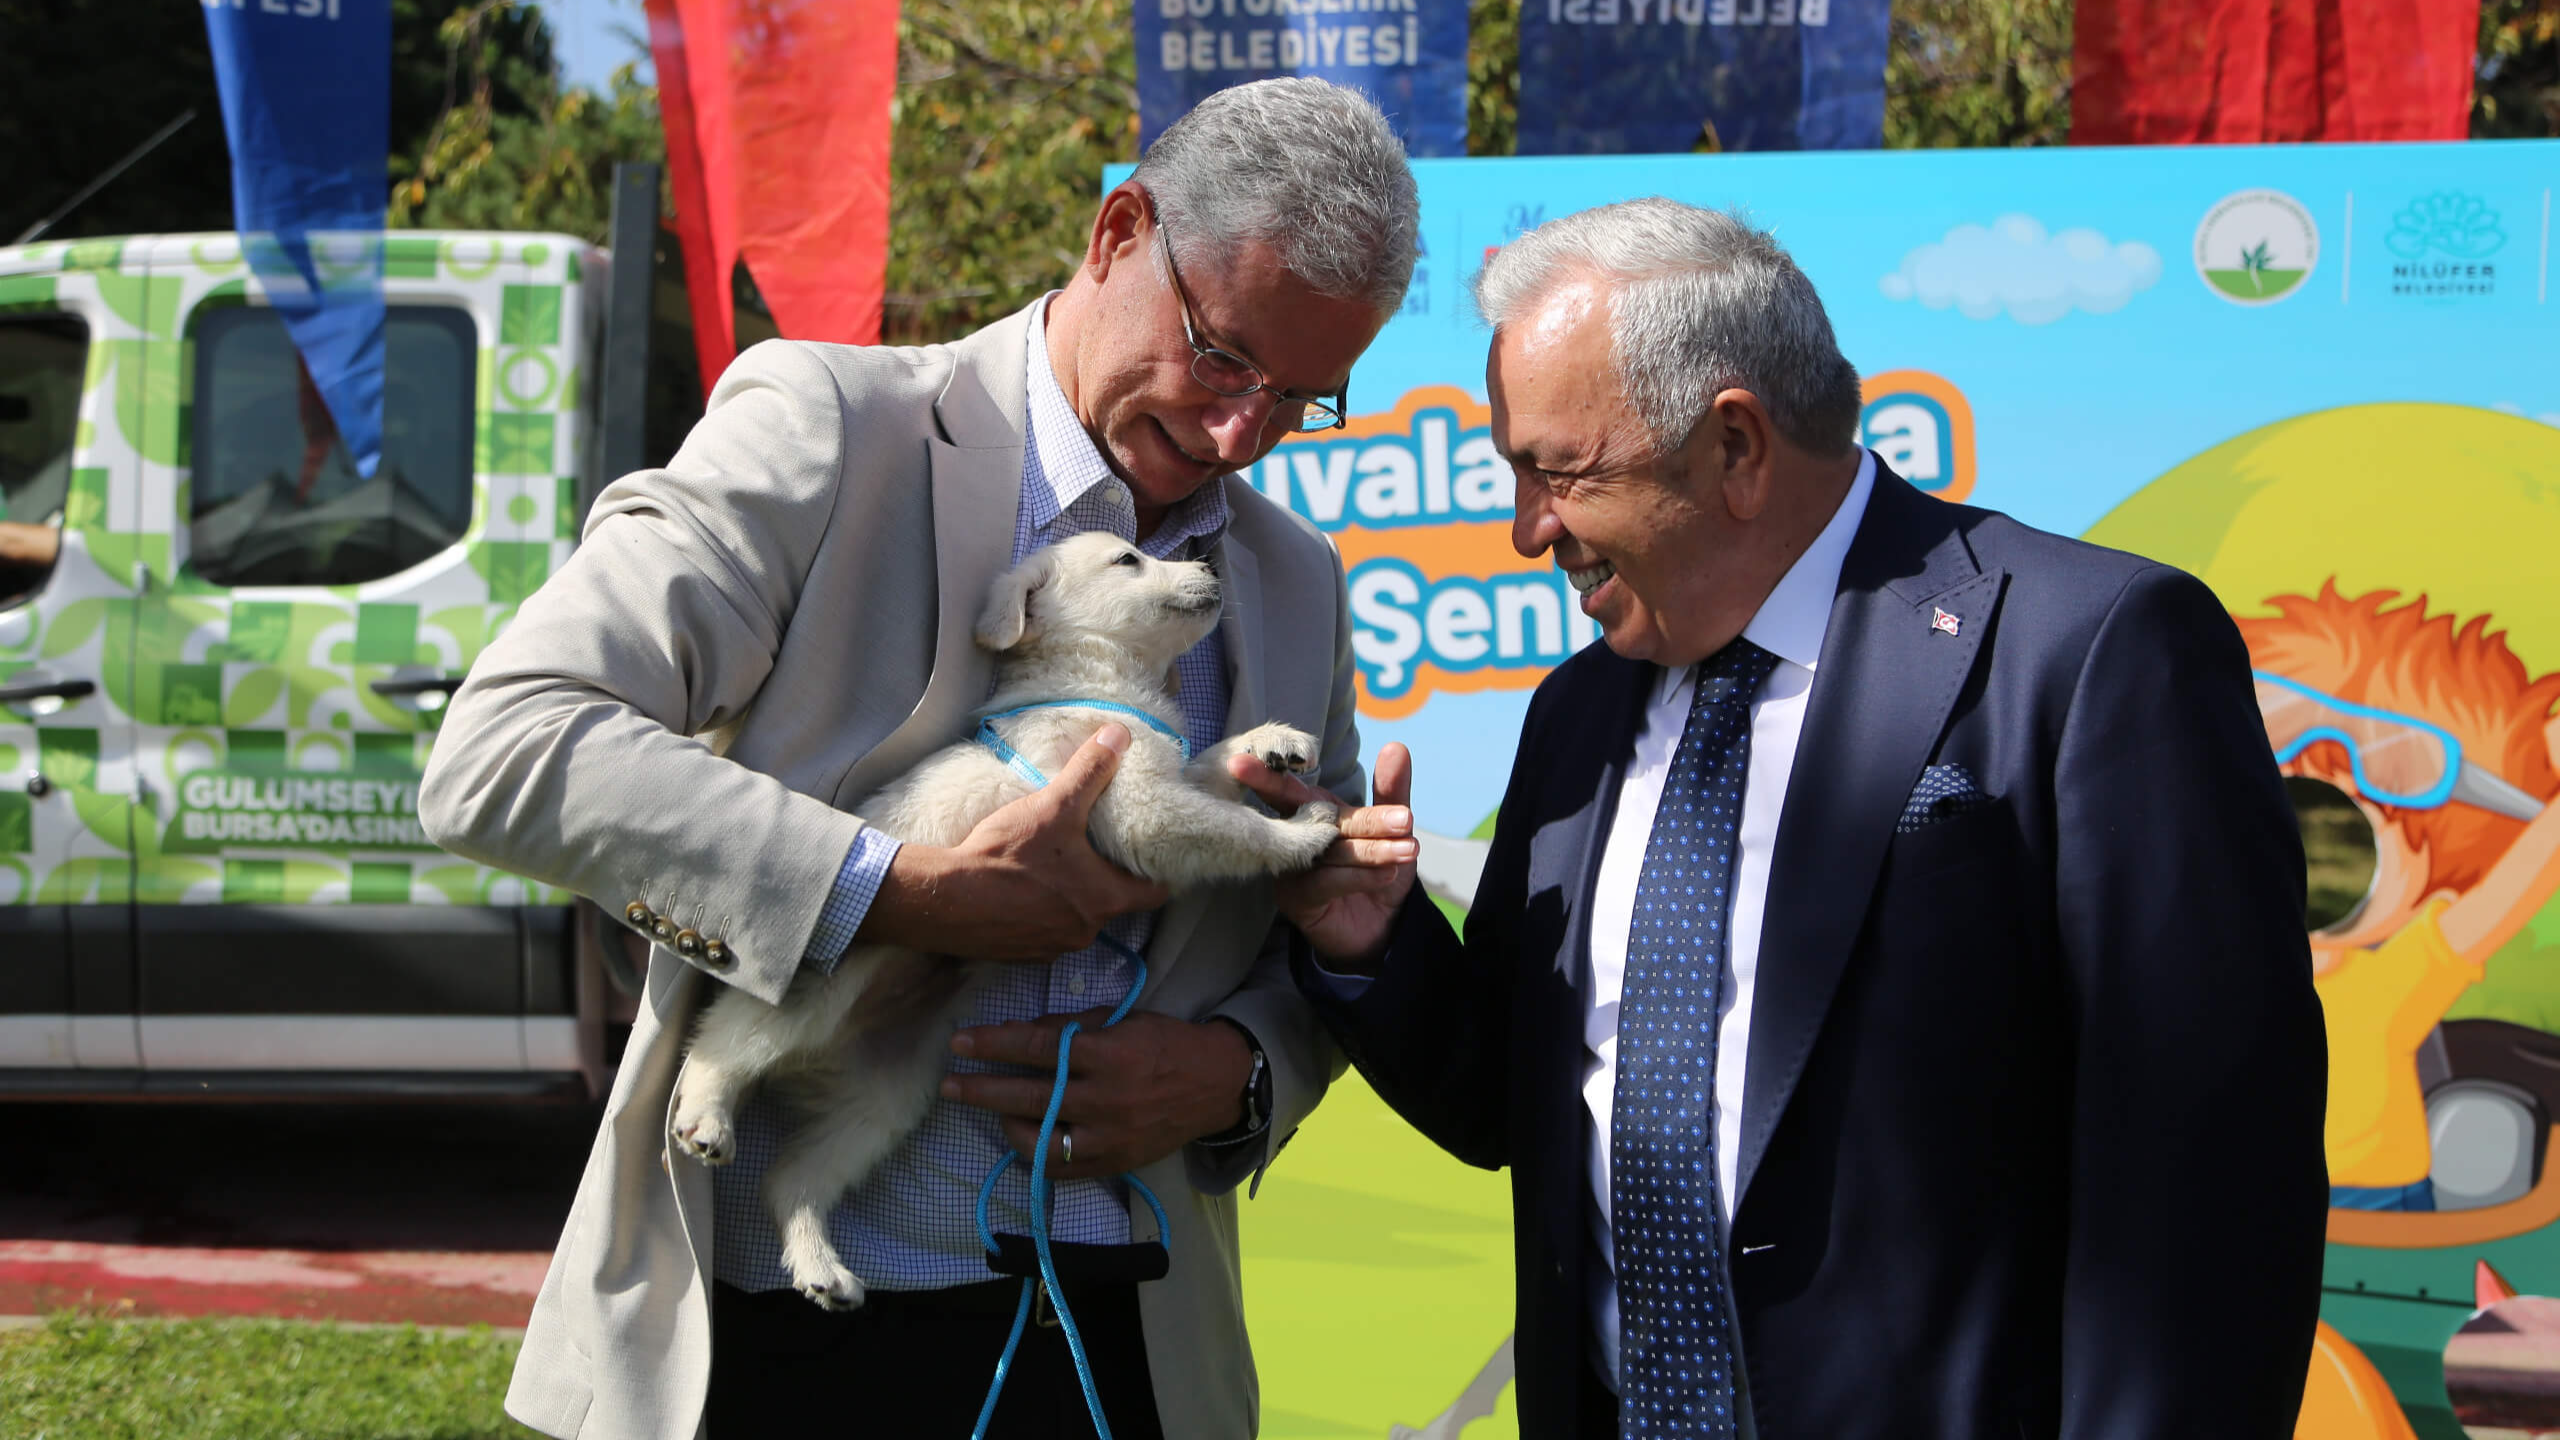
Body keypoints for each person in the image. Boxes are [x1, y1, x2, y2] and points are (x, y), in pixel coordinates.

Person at [418, 78, 1419, 1440]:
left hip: (1129, 1350)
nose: (1246, 435)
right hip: (792, 1345)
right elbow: (509, 744)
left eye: (1304, 399)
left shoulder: (1295, 580)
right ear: (1119, 232)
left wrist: (1238, 1072)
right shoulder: (825, 427)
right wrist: (897, 893)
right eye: (1226, 359)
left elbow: (1306, 940)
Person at [1258, 198, 2330, 1437]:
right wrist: (1371, 945)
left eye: (1556, 471)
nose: (1524, 530)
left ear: (1734, 449)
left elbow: (2208, 1187)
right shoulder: (1576, 714)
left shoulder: (2088, 653)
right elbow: (1511, 1106)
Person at [2241, 583, 2560, 1212]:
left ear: (2438, 876)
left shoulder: (2396, 974)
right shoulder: (2199, 955)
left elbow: (2511, 891)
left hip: (2373, 1201)